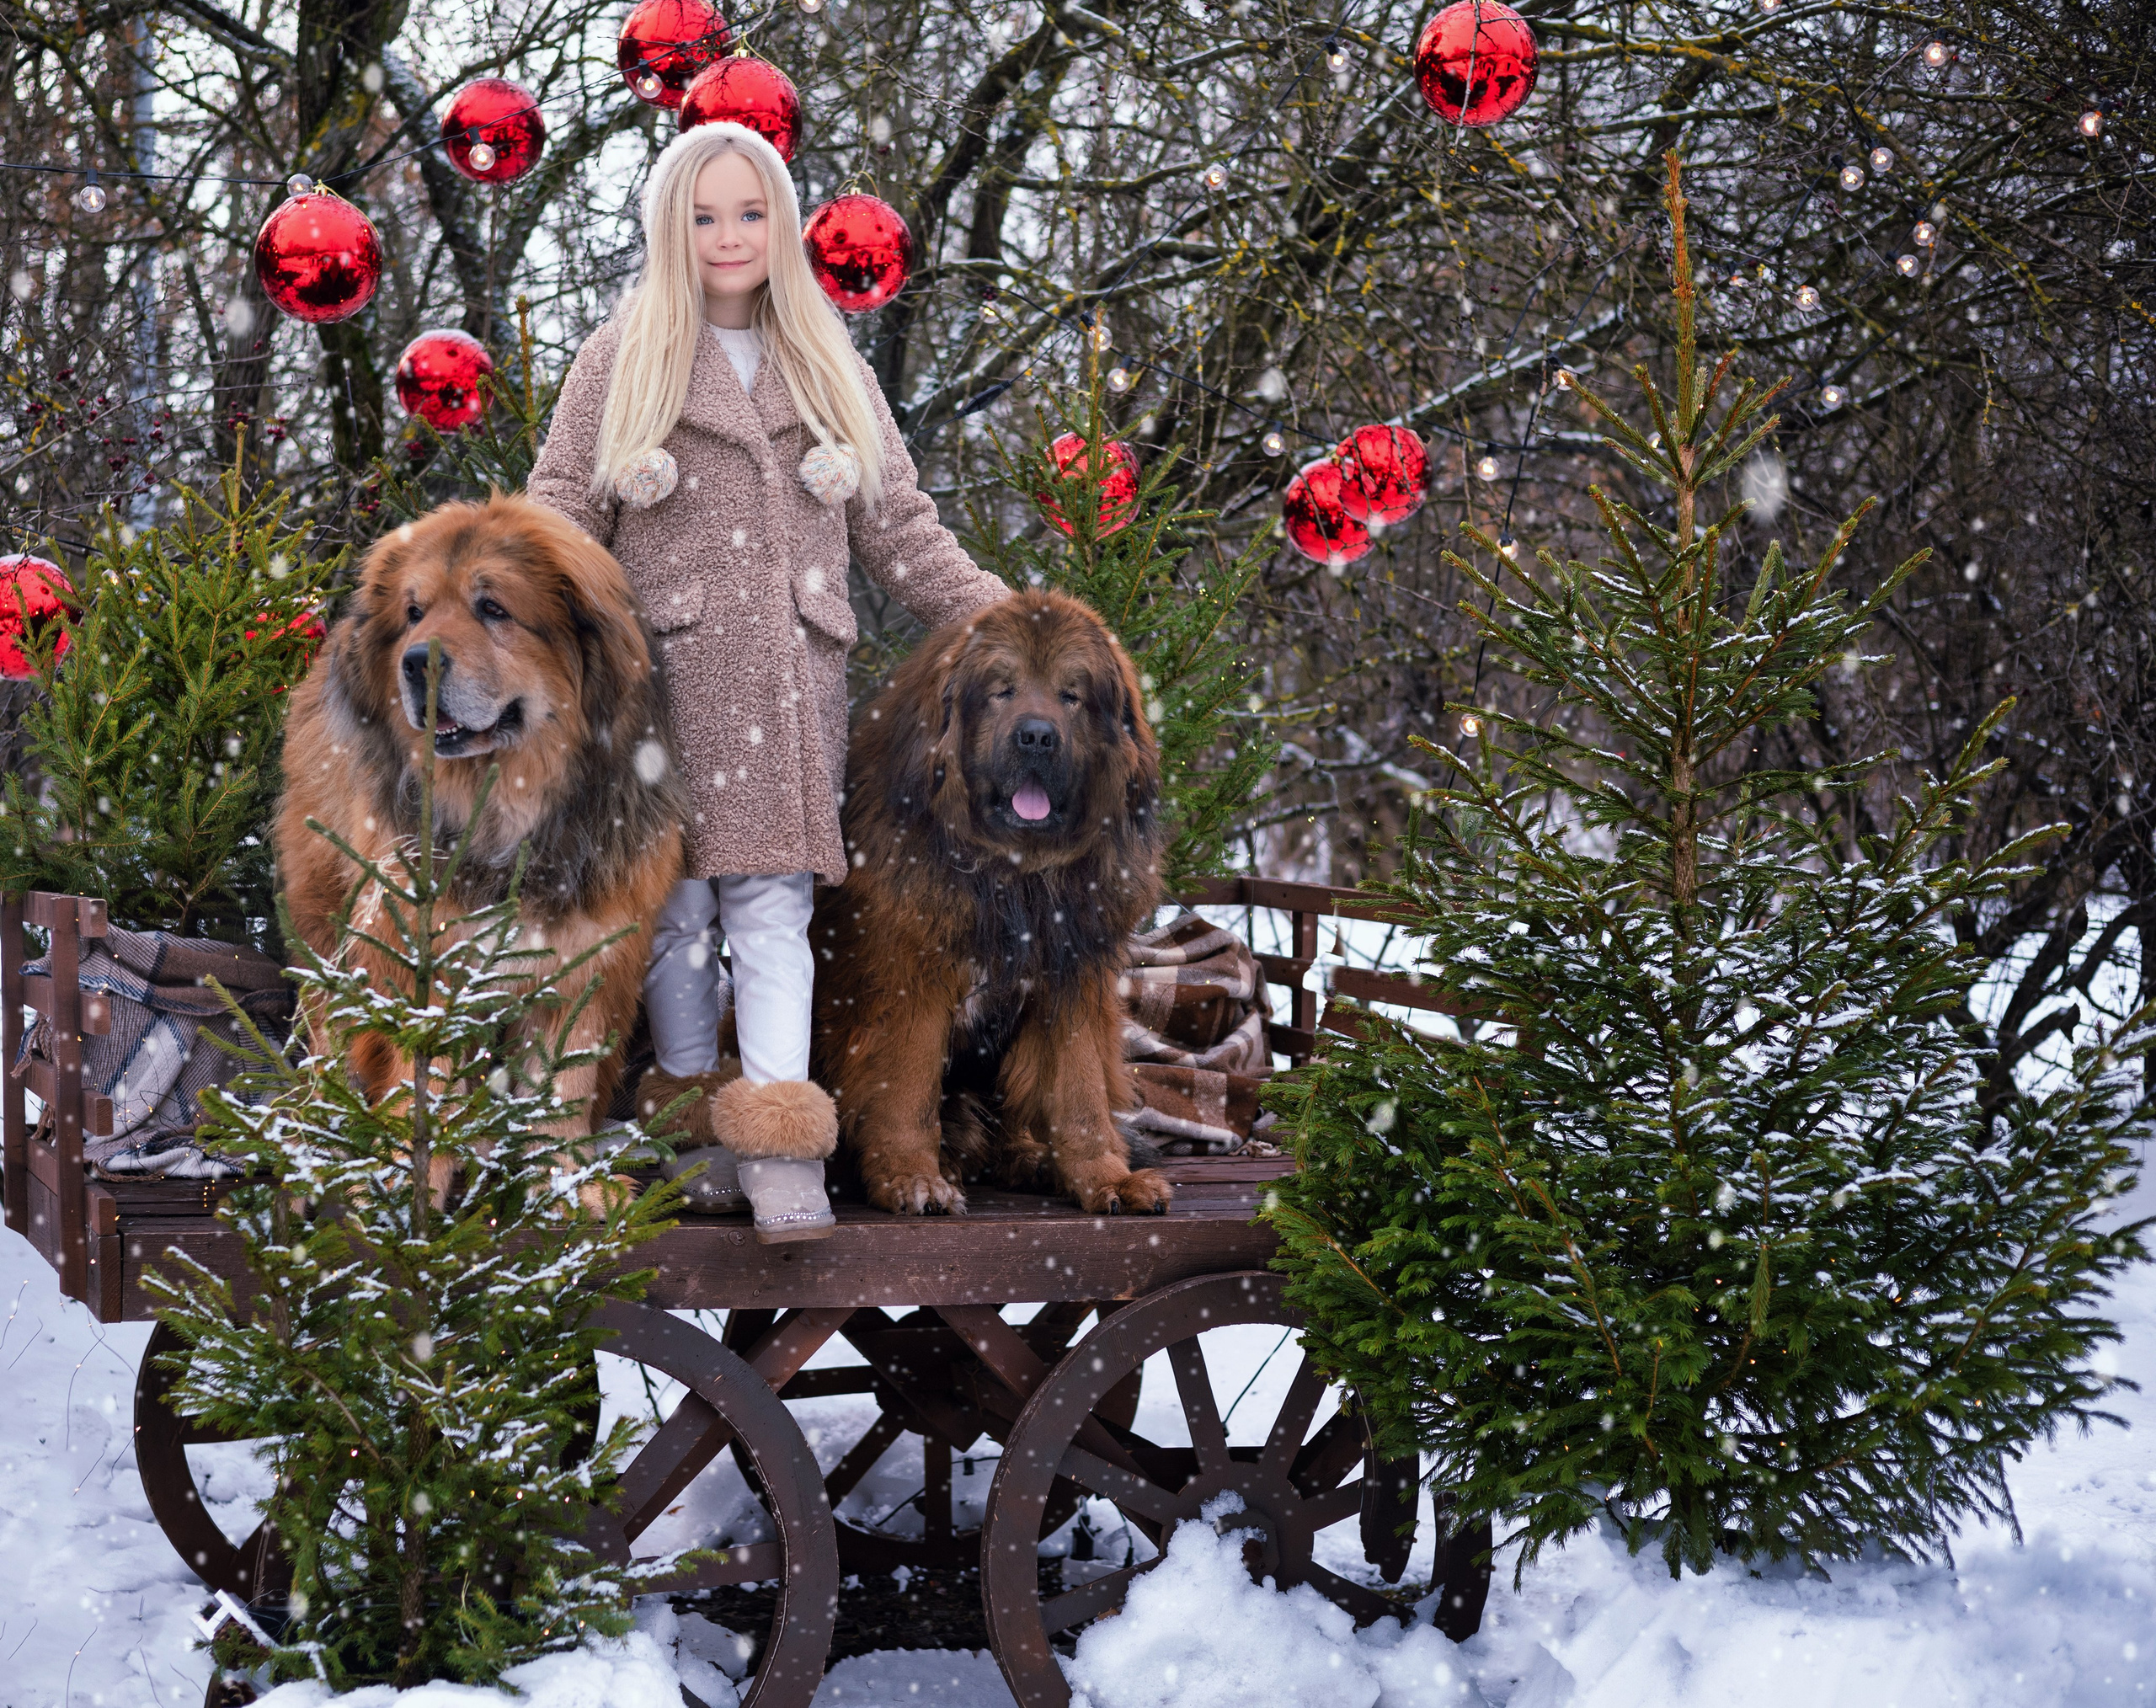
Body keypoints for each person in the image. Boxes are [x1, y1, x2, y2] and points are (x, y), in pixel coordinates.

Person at [527, 122, 1008, 1241]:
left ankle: (781, 1139)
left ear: (782, 226)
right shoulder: (623, 357)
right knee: (679, 909)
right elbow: (557, 516)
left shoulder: (825, 359)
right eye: (703, 217)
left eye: (750, 214)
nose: (728, 236)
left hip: (790, 691)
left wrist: (998, 622)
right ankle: (693, 1120)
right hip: (666, 693)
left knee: (775, 905)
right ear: (669, 229)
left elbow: (901, 527)